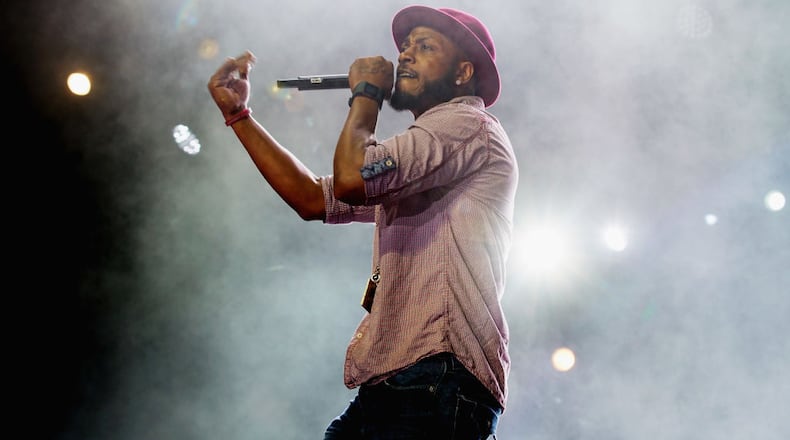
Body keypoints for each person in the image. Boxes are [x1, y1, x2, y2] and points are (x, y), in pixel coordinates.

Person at [208, 5, 518, 439]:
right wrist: (239, 116)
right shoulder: (423, 153)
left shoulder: (465, 125)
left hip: (435, 380)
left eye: (425, 47)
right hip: (397, 384)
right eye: (405, 47)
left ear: (463, 71)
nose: (405, 56)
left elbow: (353, 178)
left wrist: (367, 94)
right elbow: (313, 197)